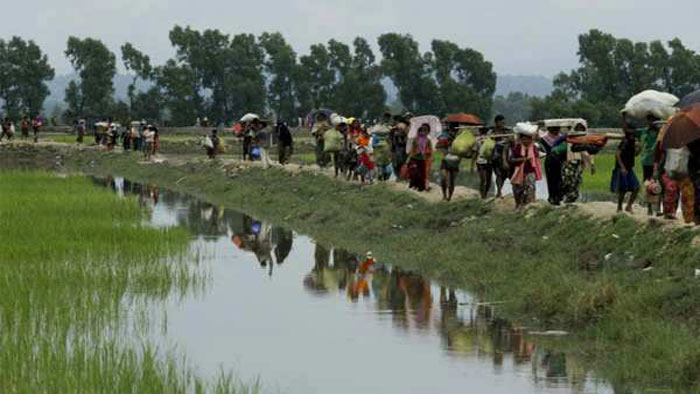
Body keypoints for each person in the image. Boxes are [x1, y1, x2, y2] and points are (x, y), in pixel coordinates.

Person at [561, 123, 595, 203]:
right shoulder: (569, 139)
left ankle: (571, 199)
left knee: (575, 182)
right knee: (569, 181)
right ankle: (568, 198)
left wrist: (591, 165)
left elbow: (586, 153)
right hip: (569, 163)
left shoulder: (582, 140)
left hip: (577, 163)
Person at [509, 126, 542, 209]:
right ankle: (519, 205)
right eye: (524, 139)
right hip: (519, 171)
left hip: (530, 171)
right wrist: (522, 159)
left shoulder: (534, 147)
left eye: (528, 139)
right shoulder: (517, 147)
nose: (526, 141)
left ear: (531, 139)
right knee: (518, 190)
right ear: (521, 139)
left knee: (531, 188)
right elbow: (511, 159)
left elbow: (538, 156)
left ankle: (530, 206)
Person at [611, 121, 640, 213]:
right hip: (622, 168)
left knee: (636, 187)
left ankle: (629, 205)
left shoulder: (632, 142)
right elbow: (617, 154)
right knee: (623, 189)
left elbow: (635, 155)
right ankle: (619, 207)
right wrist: (622, 167)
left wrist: (640, 148)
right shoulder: (625, 141)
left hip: (629, 167)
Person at [638, 114, 662, 215]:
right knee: (648, 184)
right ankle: (649, 208)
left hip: (659, 161)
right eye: (651, 120)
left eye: (655, 120)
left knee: (659, 184)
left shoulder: (661, 132)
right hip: (647, 161)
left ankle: (658, 208)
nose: (652, 123)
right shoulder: (644, 132)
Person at [540, 125, 567, 205]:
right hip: (550, 161)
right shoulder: (544, 138)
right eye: (553, 128)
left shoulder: (562, 138)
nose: (556, 130)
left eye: (557, 128)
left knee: (561, 179)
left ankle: (559, 197)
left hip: (561, 161)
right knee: (551, 180)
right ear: (549, 129)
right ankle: (552, 198)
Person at [406, 123, 433, 191]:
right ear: (419, 131)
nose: (422, 132)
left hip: (423, 159)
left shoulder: (428, 140)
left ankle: (421, 188)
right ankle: (413, 185)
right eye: (421, 131)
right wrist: (412, 154)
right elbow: (412, 148)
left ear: (427, 132)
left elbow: (430, 149)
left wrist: (426, 152)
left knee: (422, 174)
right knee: (414, 172)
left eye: (424, 131)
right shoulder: (415, 139)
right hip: (414, 158)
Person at [491, 115, 512, 198]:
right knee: (498, 174)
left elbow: (511, 138)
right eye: (501, 122)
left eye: (503, 122)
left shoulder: (507, 131)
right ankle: (499, 192)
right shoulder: (492, 131)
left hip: (506, 155)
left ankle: (500, 191)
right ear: (496, 122)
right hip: (495, 156)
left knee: (505, 175)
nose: (502, 124)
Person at [473, 127, 494, 199]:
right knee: (483, 179)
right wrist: (473, 164)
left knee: (488, 181)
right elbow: (475, 152)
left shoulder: (490, 140)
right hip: (480, 162)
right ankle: (483, 196)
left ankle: (485, 194)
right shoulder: (478, 140)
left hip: (489, 162)